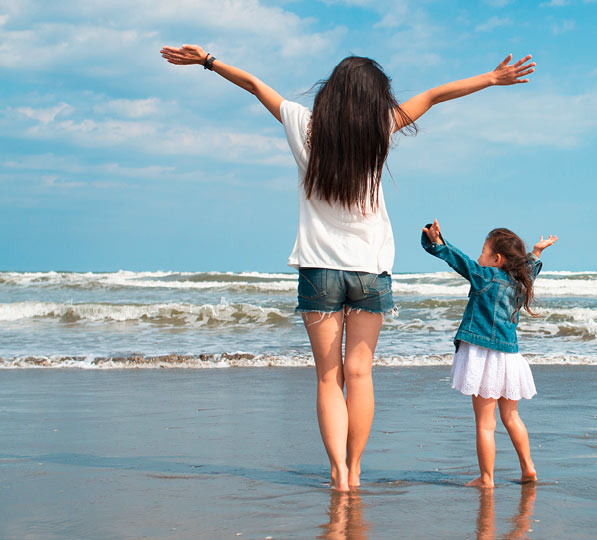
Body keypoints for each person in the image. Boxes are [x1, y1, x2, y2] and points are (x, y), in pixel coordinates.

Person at [160, 44, 535, 491]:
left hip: (318, 270)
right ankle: (355, 471)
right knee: (359, 374)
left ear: (331, 93)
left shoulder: (303, 124)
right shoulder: (379, 128)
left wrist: (207, 61)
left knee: (328, 376)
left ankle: (338, 474)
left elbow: (255, 85)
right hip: (370, 270)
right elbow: (434, 95)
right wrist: (490, 80)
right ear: (373, 98)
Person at [421, 219, 557, 488]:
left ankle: (486, 478)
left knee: (485, 423)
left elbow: (459, 261)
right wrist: (537, 253)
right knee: (511, 417)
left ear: (496, 259)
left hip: (483, 357)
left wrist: (438, 243)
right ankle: (528, 467)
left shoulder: (485, 276)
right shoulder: (521, 281)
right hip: (509, 359)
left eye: (483, 252)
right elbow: (529, 268)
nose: (479, 257)